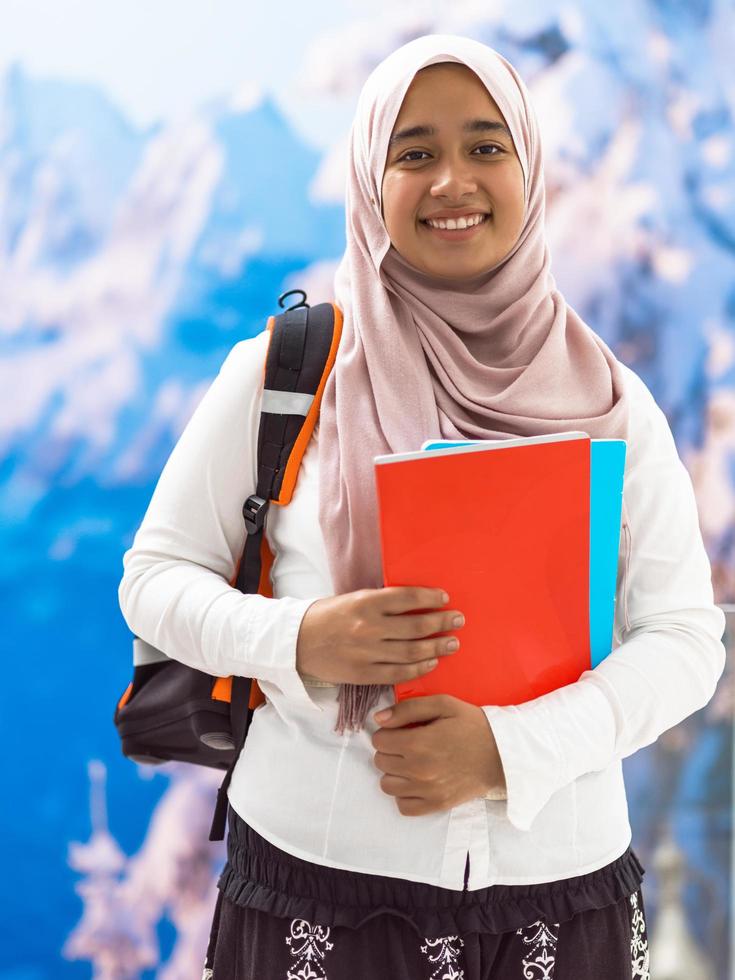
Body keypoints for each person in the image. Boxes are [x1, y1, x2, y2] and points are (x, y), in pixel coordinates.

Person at [117, 33, 726, 980]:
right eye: (414, 152)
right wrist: (300, 639)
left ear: (529, 169)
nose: (454, 180)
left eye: (487, 147)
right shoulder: (285, 374)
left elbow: (686, 641)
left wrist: (506, 751)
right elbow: (153, 581)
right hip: (321, 894)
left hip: (564, 905)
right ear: (371, 180)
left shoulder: (610, 400)